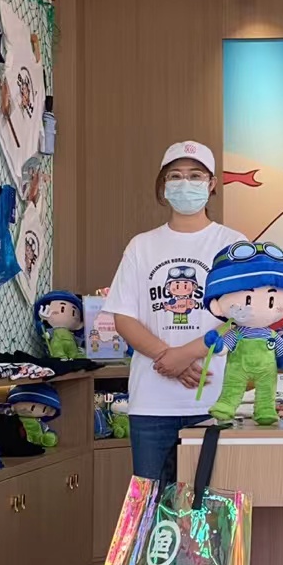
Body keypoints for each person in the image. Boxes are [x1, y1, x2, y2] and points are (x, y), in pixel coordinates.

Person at [103, 141, 244, 482]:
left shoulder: (233, 245)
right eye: (175, 176)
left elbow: (244, 318)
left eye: (195, 176)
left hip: (216, 402)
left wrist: (185, 355)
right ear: (163, 185)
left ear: (212, 184)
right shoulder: (142, 245)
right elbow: (123, 317)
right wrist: (167, 356)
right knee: (150, 504)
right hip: (151, 403)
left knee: (213, 504)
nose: (185, 183)